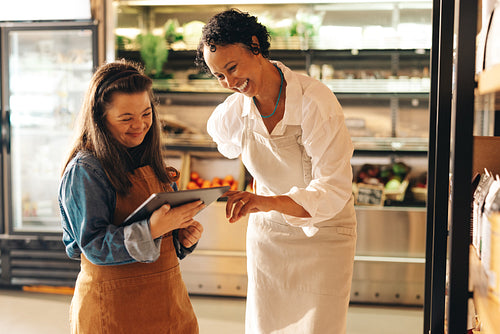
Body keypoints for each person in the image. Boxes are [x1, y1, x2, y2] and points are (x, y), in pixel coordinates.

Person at [195, 9, 357, 334]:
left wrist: (264, 201)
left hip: (324, 238)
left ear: (255, 46)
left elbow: (334, 190)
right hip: (269, 239)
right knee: (265, 327)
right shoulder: (235, 112)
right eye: (219, 76)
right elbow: (225, 143)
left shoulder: (315, 102)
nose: (229, 83)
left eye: (232, 68)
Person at [58, 59, 204, 333]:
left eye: (146, 113)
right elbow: (94, 245)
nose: (140, 125)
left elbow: (162, 239)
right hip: (112, 312)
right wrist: (152, 230)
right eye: (126, 118)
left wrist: (180, 237)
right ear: (100, 118)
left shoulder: (149, 158)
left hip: (169, 303)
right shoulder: (86, 170)